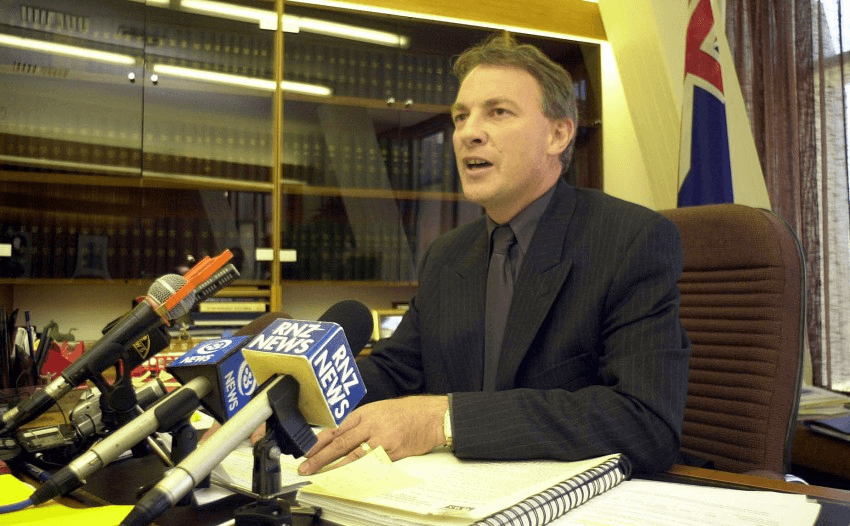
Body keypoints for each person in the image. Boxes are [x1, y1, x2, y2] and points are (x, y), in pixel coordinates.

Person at [297, 32, 691, 476]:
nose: (468, 133)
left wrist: (444, 421)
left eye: (497, 112)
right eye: (460, 117)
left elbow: (645, 421)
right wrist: (295, 396)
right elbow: (396, 371)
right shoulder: (447, 255)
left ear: (558, 134)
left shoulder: (630, 240)